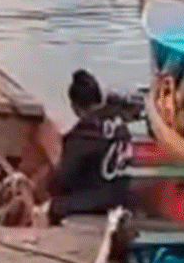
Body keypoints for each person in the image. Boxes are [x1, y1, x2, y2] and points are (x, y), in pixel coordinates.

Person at [39, 70, 131, 226]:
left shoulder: (83, 134)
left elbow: (63, 180)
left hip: (95, 204)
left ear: (74, 106)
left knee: (50, 206)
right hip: (122, 197)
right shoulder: (120, 126)